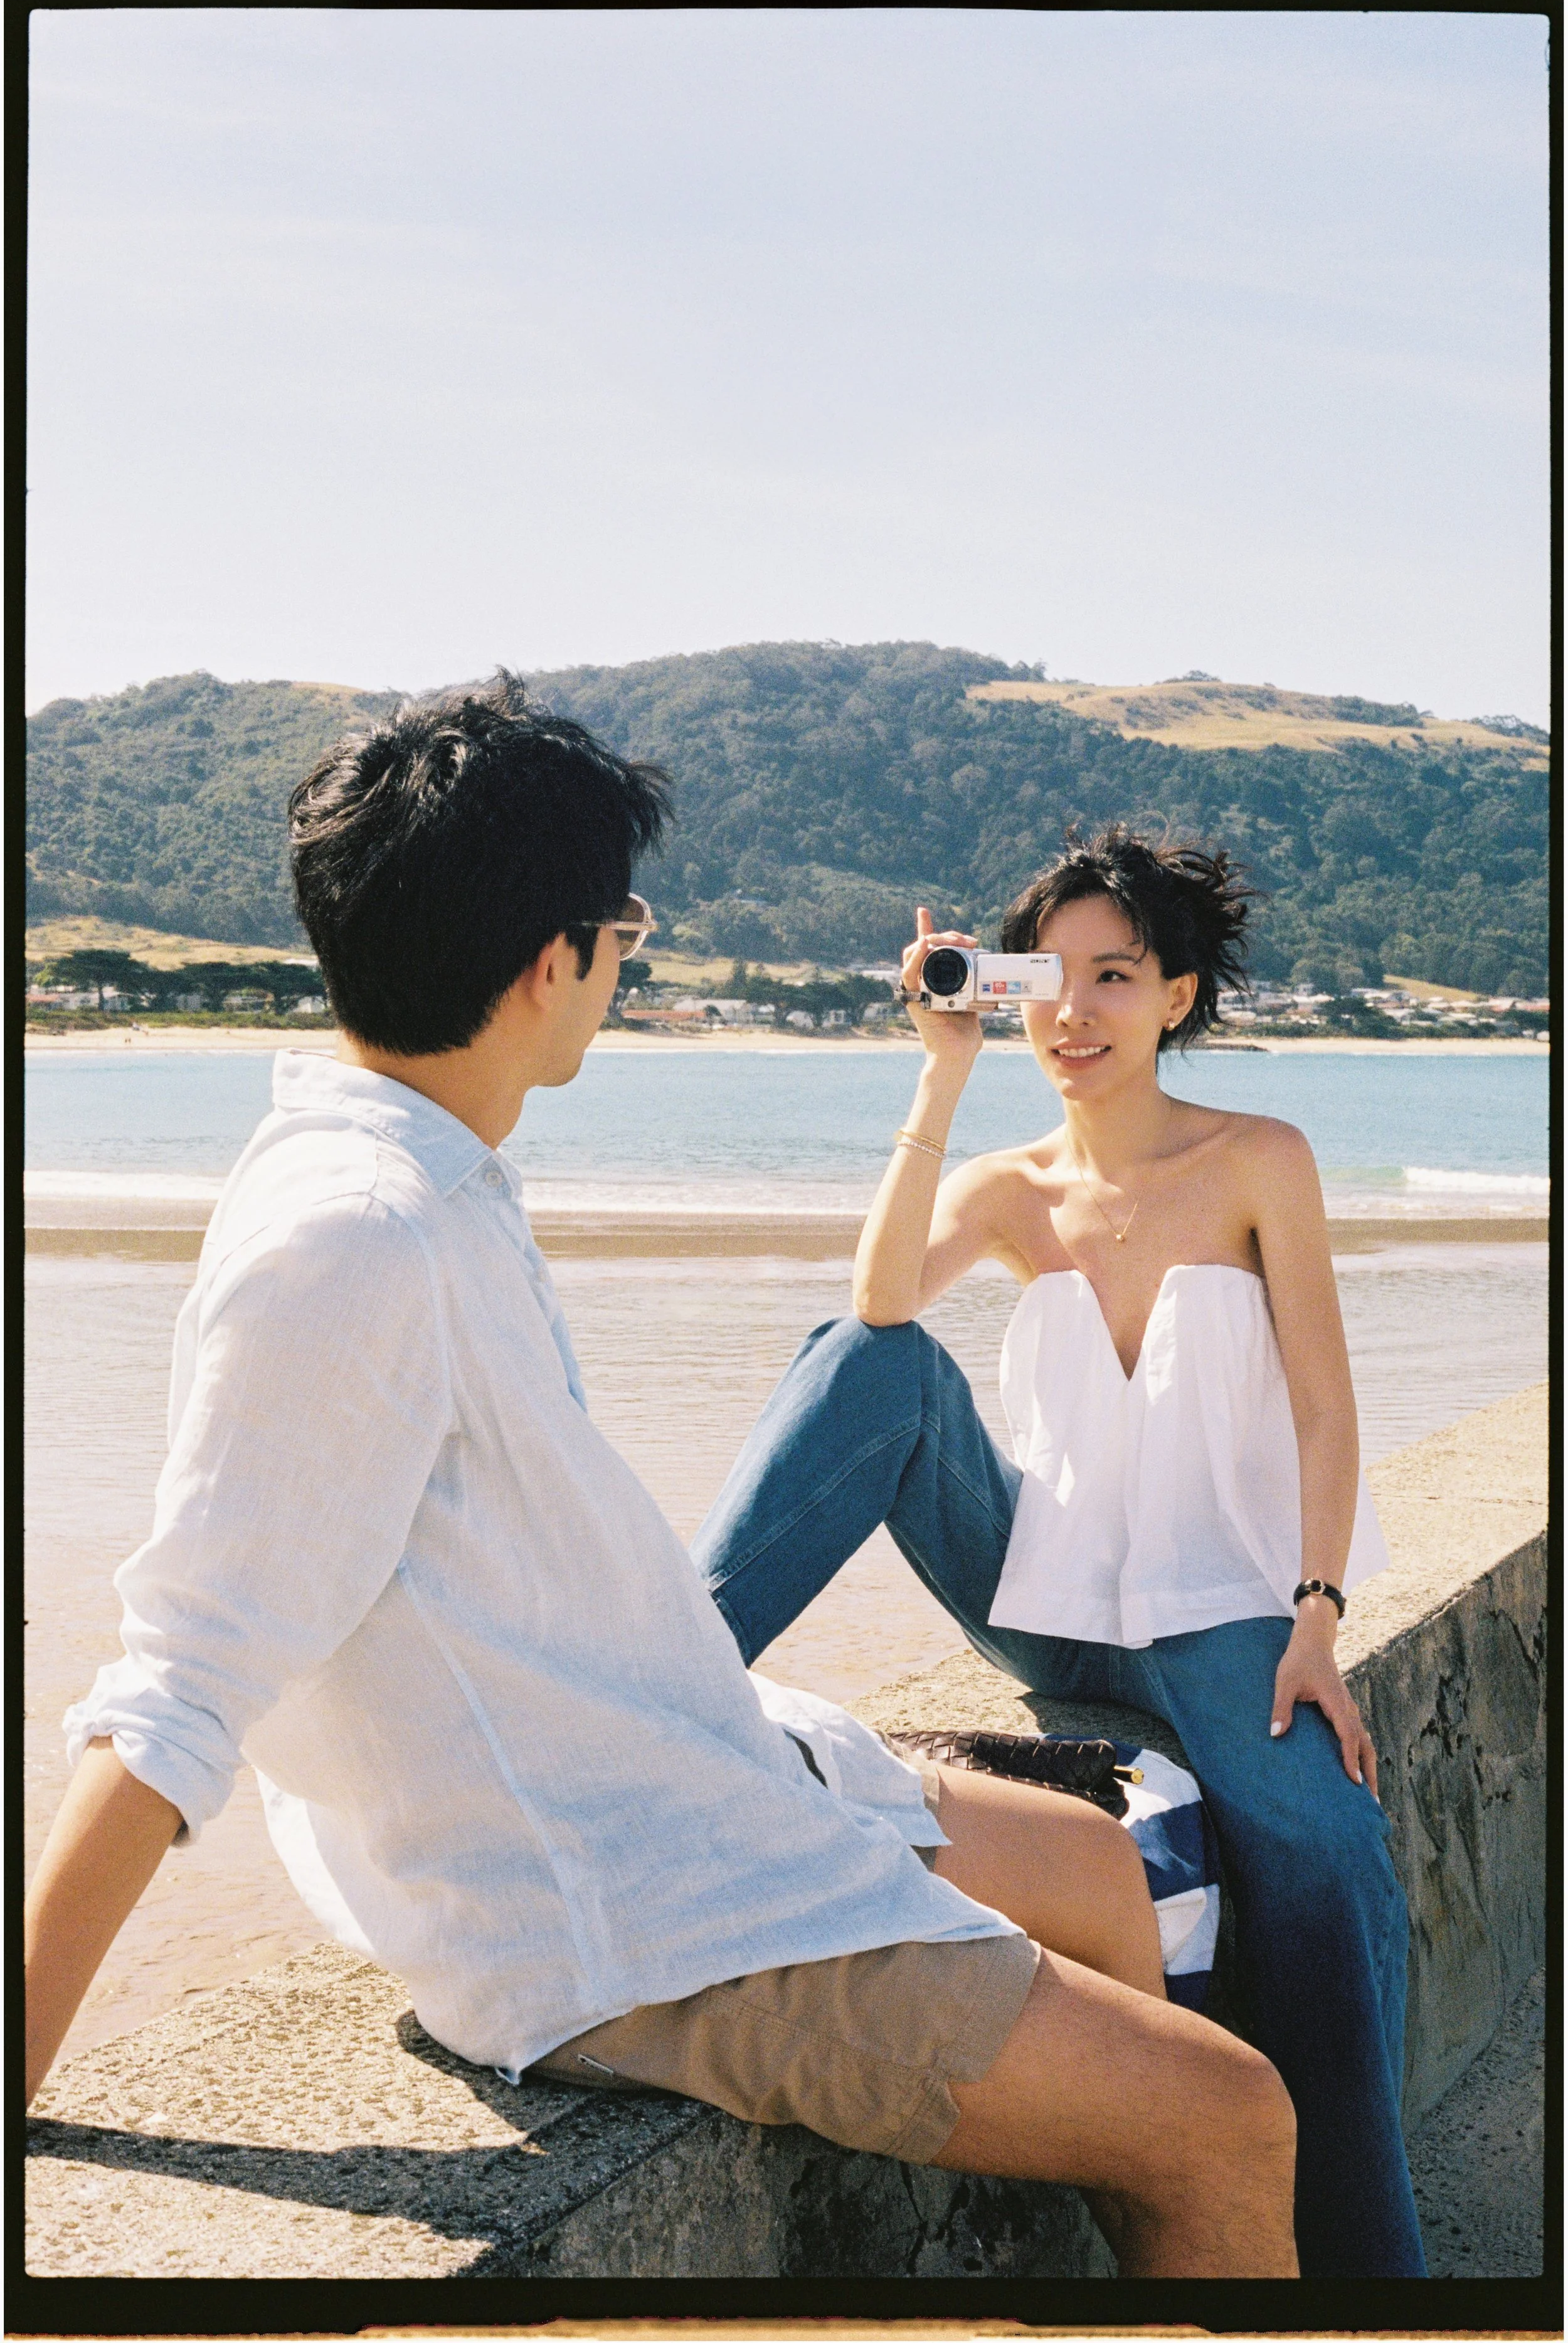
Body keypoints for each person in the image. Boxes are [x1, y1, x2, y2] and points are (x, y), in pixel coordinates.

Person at [24, 688, 1298, 2280]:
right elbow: (176, 1686)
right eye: (623, 927)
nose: (626, 962)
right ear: (555, 961)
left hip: (684, 1765)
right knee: (1228, 2116)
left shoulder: (426, 1173)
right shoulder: (362, 1238)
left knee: (1098, 1870)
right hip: (616, 1902)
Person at [691, 827, 1426, 2280]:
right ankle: (660, 1676)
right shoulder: (1009, 1184)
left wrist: (1315, 1613)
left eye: (1115, 977)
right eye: (1049, 978)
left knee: (1326, 1854)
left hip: (1220, 1612)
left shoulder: (1255, 1161)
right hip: (1049, 1595)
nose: (1074, 1014)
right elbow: (881, 1295)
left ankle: (1364, 2271)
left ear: (1177, 995)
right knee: (868, 1359)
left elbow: (1329, 1406)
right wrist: (940, 1068)